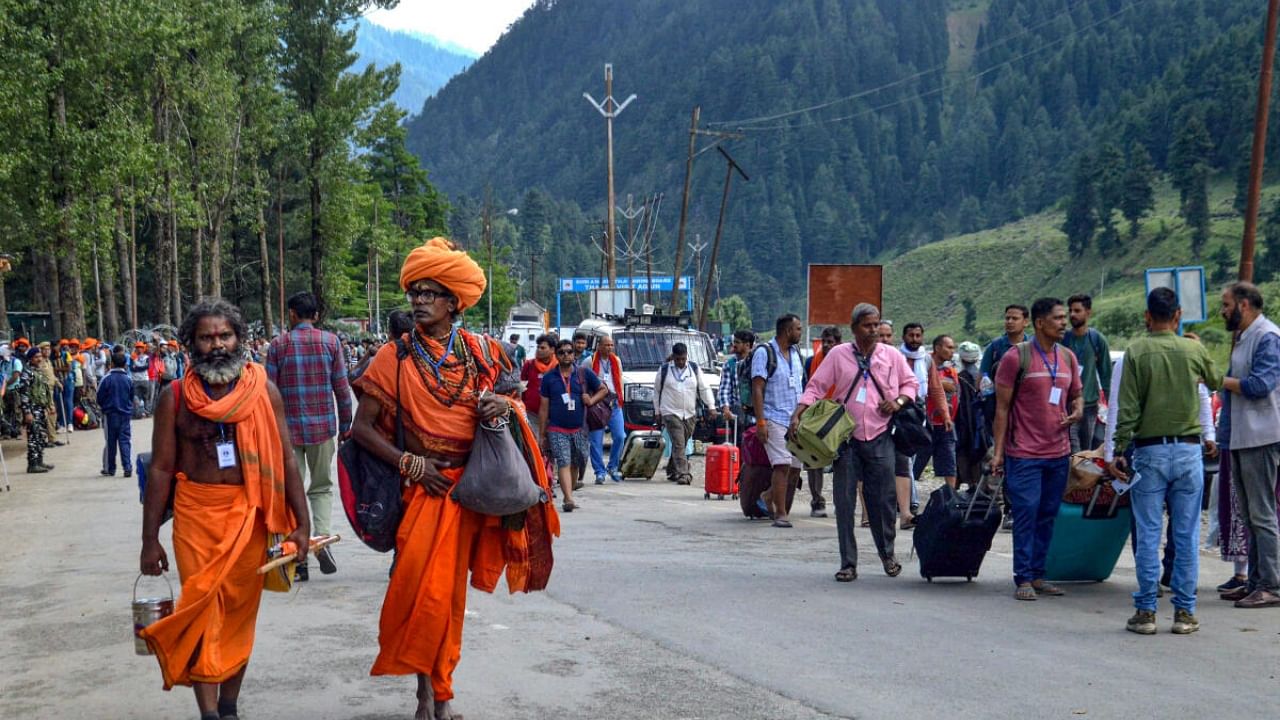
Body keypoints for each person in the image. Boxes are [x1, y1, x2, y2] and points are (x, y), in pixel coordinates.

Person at [138, 300, 311, 720]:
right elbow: (160, 468)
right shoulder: (174, 397)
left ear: (240, 338)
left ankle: (229, 706)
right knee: (200, 610)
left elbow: (287, 460)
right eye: (206, 337)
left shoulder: (264, 391)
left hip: (248, 517)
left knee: (237, 613)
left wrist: (303, 525)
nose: (217, 345)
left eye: (224, 335)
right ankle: (209, 713)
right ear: (190, 344)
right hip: (195, 518)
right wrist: (149, 540)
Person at [1108, 288, 1221, 633]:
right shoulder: (1193, 348)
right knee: (1185, 535)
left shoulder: (1137, 351)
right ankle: (1184, 614)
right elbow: (1216, 381)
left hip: (1149, 452)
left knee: (1148, 533)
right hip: (1189, 453)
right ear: (1177, 315)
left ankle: (1146, 613)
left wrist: (1118, 450)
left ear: (1147, 316)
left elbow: (1127, 408)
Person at [796, 303, 918, 580]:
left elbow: (910, 385)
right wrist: (799, 412)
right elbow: (815, 386)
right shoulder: (839, 355)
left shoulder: (891, 355)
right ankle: (848, 563)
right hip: (845, 439)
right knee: (844, 500)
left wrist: (898, 402)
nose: (874, 330)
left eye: (876, 325)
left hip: (881, 436)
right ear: (854, 329)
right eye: (867, 325)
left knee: (884, 501)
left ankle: (888, 555)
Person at [991, 297, 1083, 601]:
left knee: (1047, 514)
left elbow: (1077, 395)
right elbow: (1001, 409)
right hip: (1024, 454)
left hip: (1058, 453)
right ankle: (1024, 577)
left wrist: (1078, 409)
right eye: (1057, 318)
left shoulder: (1068, 358)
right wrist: (998, 453)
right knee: (1027, 513)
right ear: (1040, 323)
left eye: (1064, 318)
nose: (1063, 323)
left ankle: (1039, 573)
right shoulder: (1016, 358)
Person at [266, 291, 353, 581]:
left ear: (292, 314)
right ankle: (322, 539)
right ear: (315, 316)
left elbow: (269, 393)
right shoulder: (331, 343)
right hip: (322, 428)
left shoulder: (278, 346)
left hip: (286, 432)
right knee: (321, 488)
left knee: (292, 490)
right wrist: (345, 426)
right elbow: (342, 388)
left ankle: (296, 554)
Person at [1217, 282, 1280, 609]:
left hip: (1260, 436)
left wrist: (1220, 380)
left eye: (1227, 304)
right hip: (1242, 436)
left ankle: (1271, 584)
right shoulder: (1245, 337)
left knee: (1262, 513)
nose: (1224, 311)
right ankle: (1255, 581)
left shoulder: (1267, 337)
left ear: (1244, 304)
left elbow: (1260, 384)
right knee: (1250, 513)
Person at [541, 337, 607, 510]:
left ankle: (569, 489)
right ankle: (568, 499)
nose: (566, 355)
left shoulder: (583, 374)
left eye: (569, 352)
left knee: (578, 460)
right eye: (561, 352)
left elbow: (603, 389)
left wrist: (591, 400)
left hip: (579, 428)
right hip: (556, 428)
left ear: (573, 355)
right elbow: (543, 407)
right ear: (556, 355)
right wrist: (542, 433)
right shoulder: (549, 378)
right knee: (563, 461)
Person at [752, 314, 805, 527]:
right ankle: (781, 513)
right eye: (798, 329)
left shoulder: (796, 354)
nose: (800, 332)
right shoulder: (765, 353)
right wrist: (761, 422)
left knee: (795, 469)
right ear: (787, 331)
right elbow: (758, 387)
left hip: (794, 419)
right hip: (773, 417)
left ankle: (768, 496)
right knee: (782, 465)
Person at [982, 304, 1031, 530]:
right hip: (1001, 413)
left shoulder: (1033, 348)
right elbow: (982, 379)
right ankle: (1009, 509)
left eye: (1015, 318)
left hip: (1029, 415)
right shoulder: (995, 347)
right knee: (1005, 460)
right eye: (1007, 318)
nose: (1010, 322)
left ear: (1026, 321)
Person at [657, 342, 715, 486]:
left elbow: (704, 389)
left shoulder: (694, 369)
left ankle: (672, 470)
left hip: (689, 413)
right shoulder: (664, 370)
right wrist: (657, 411)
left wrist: (711, 406)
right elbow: (656, 391)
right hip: (670, 412)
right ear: (673, 358)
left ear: (686, 356)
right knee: (678, 442)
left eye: (683, 359)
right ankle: (684, 473)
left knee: (681, 443)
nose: (681, 362)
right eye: (678, 359)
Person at [802, 326, 843, 518]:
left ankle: (842, 501)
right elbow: (807, 388)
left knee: (841, 462)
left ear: (838, 344)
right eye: (824, 341)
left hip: (840, 417)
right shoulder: (811, 362)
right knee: (813, 460)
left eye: (830, 342)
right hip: (816, 416)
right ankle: (817, 500)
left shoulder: (846, 363)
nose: (826, 345)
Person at [1064, 294, 1112, 452]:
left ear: (1088, 312)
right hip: (1067, 406)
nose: (1072, 314)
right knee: (1073, 450)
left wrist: (1112, 408)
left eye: (1077, 310)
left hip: (1090, 406)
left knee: (1087, 453)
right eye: (1070, 310)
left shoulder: (1097, 340)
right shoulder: (1063, 340)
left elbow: (1106, 375)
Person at [914, 335, 958, 488]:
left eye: (953, 348)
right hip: (924, 422)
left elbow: (954, 389)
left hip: (945, 422)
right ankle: (905, 497)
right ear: (937, 348)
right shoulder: (922, 364)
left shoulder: (950, 370)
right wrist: (940, 383)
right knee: (916, 461)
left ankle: (951, 498)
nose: (952, 351)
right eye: (949, 347)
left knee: (949, 460)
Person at [588, 335, 626, 484]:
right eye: (606, 345)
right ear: (599, 346)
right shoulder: (589, 361)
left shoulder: (616, 361)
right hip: (597, 404)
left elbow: (620, 379)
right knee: (596, 440)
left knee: (620, 436)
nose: (609, 348)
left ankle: (613, 466)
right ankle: (599, 472)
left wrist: (621, 398)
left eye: (611, 345)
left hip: (614, 403)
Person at [954, 341, 991, 489]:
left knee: (963, 453)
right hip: (983, 423)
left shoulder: (959, 377)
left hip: (964, 423)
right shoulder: (985, 378)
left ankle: (967, 485)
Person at [97, 350, 135, 477]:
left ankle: (110, 468)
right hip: (125, 414)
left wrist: (105, 407)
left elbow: (99, 397)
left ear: (111, 364)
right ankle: (127, 467)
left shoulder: (106, 379)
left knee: (111, 442)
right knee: (125, 441)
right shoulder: (128, 379)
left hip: (110, 415)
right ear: (125, 365)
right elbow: (131, 396)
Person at [17, 347, 54, 473]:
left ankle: (39, 461)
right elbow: (24, 393)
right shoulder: (27, 373)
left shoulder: (38, 371)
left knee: (40, 435)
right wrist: (27, 412)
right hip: (32, 409)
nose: (39, 359)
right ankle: (32, 464)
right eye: (36, 357)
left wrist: (49, 405)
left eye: (40, 357)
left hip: (40, 408)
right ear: (31, 358)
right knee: (33, 436)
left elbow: (44, 390)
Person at [520, 334, 556, 437]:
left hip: (553, 416)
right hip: (532, 414)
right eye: (538, 347)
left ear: (552, 349)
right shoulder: (529, 365)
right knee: (535, 447)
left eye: (543, 348)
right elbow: (522, 387)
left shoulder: (558, 366)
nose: (539, 350)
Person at [719, 329, 755, 426]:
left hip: (757, 415)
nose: (734, 345)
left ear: (747, 345)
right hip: (737, 416)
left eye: (737, 342)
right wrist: (726, 409)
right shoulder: (729, 364)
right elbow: (724, 390)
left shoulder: (757, 363)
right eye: (734, 341)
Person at [130, 342, 152, 417]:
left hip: (145, 379)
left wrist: (137, 367)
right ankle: (138, 413)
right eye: (138, 347)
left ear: (143, 349)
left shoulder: (146, 357)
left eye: (141, 347)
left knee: (146, 397)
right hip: (135, 380)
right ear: (135, 348)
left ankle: (147, 412)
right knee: (136, 397)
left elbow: (147, 366)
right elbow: (131, 368)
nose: (139, 349)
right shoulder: (132, 357)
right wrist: (141, 367)